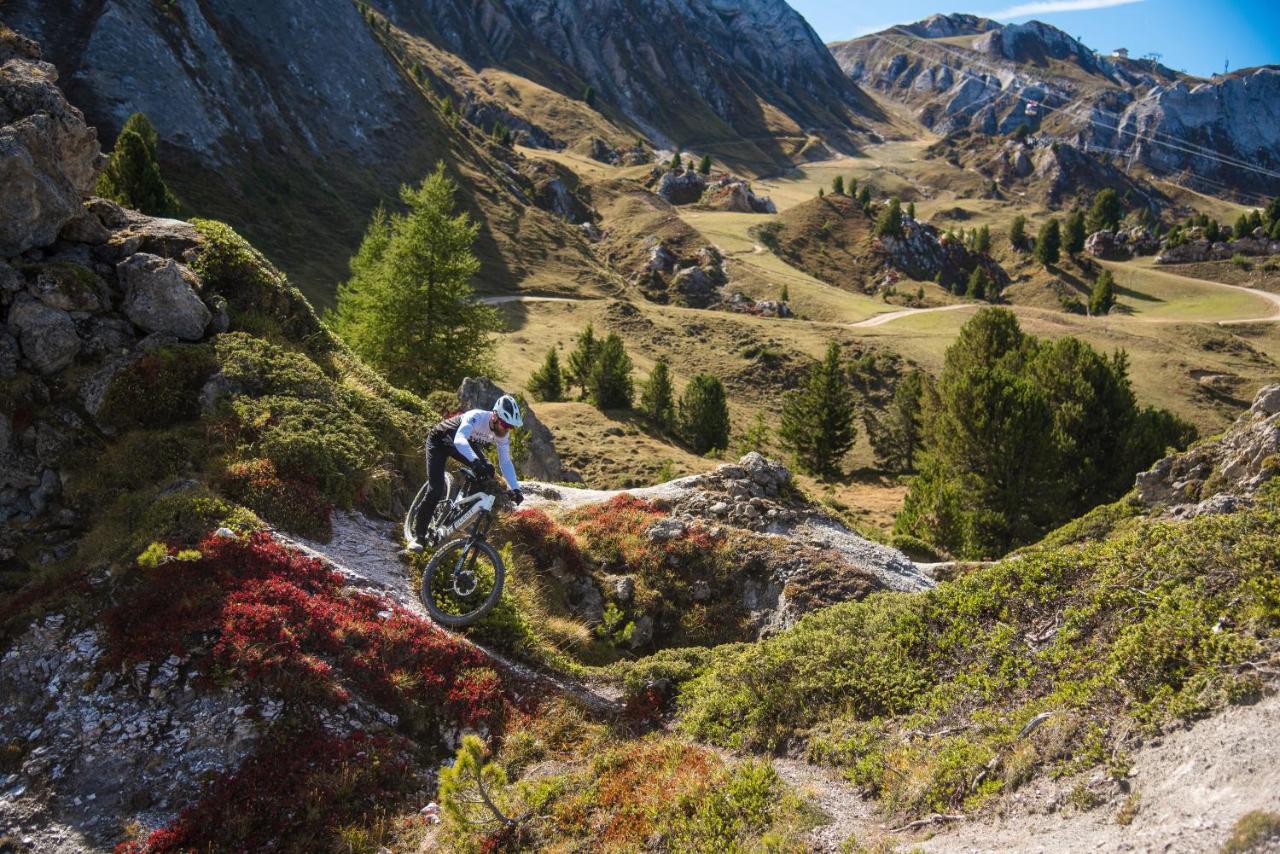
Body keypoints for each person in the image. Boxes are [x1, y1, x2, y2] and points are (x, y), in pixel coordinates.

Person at [407, 394, 525, 552]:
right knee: (435, 489)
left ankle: (462, 505)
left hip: (464, 444)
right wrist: (475, 462)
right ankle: (418, 536)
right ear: (495, 416)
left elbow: (505, 462)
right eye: (505, 424)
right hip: (440, 442)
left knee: (488, 470)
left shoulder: (502, 433)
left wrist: (515, 488)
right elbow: (460, 439)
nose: (507, 429)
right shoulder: (476, 416)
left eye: (511, 427)